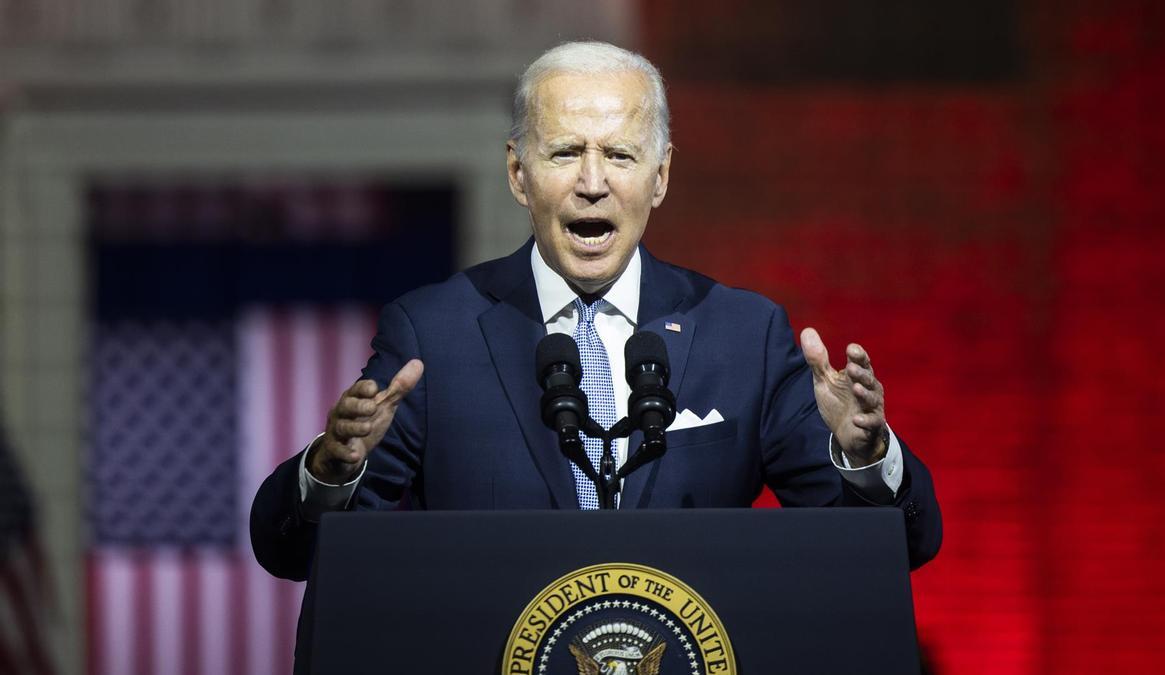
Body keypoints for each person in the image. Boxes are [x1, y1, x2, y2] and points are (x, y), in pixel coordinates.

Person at [250, 42, 941, 586]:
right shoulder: (435, 333)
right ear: (519, 173)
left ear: (660, 176)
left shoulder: (744, 335)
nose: (591, 181)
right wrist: (331, 470)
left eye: (618, 154)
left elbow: (893, 546)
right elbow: (296, 550)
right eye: (565, 153)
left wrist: (866, 456)